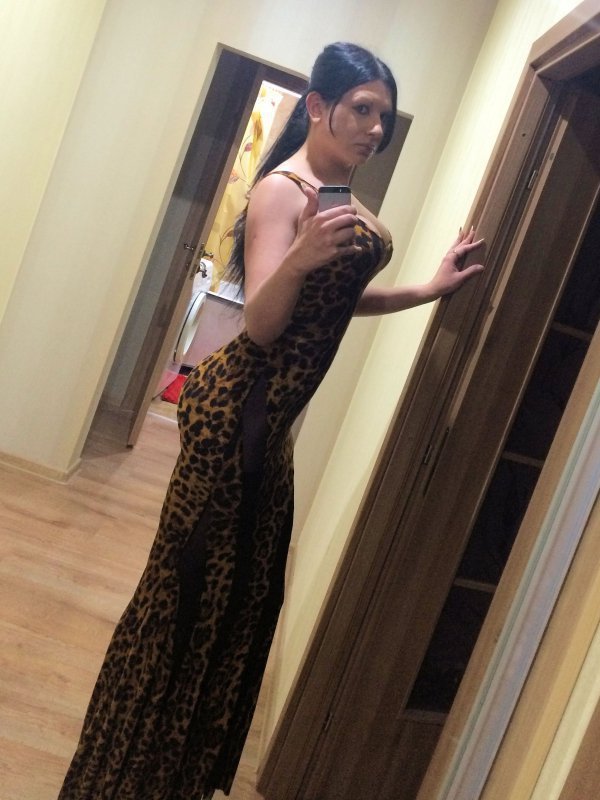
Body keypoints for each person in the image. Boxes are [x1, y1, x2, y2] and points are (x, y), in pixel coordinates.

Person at [59, 42, 484, 800]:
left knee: (243, 600)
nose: (375, 129)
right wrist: (301, 256)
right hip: (237, 417)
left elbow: (329, 305)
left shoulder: (336, 195)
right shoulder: (282, 192)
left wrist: (426, 289)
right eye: (362, 110)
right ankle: (126, 773)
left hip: (265, 424)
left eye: (384, 117)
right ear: (318, 106)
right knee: (190, 596)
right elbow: (260, 321)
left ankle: (176, 771)